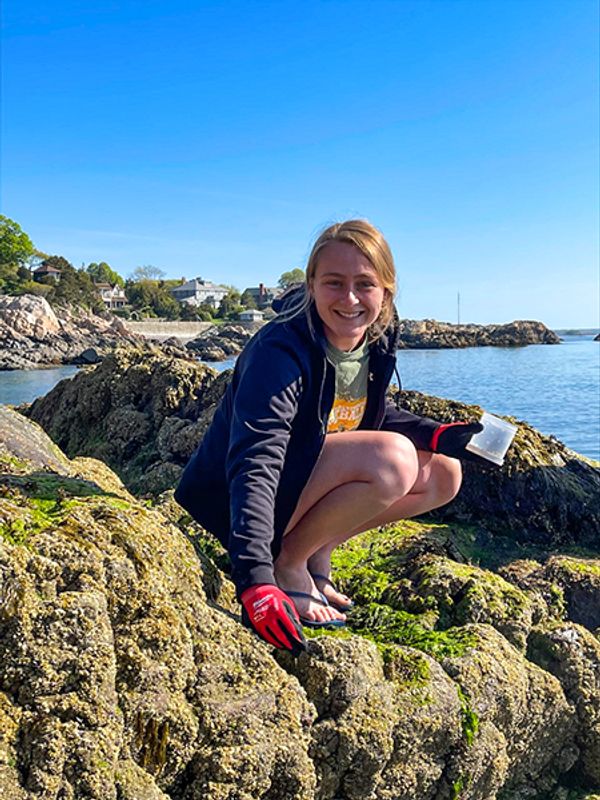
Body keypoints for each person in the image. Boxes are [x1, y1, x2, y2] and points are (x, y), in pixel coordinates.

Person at [175, 220, 483, 656]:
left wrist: (439, 435)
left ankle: (314, 550)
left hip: (299, 484)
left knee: (444, 475)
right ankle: (289, 563)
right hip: (238, 504)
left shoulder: (372, 338)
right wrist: (255, 578)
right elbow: (256, 460)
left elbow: (361, 412)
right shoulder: (279, 351)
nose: (350, 298)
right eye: (334, 283)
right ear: (313, 284)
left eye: (365, 284)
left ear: (386, 292)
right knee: (392, 461)